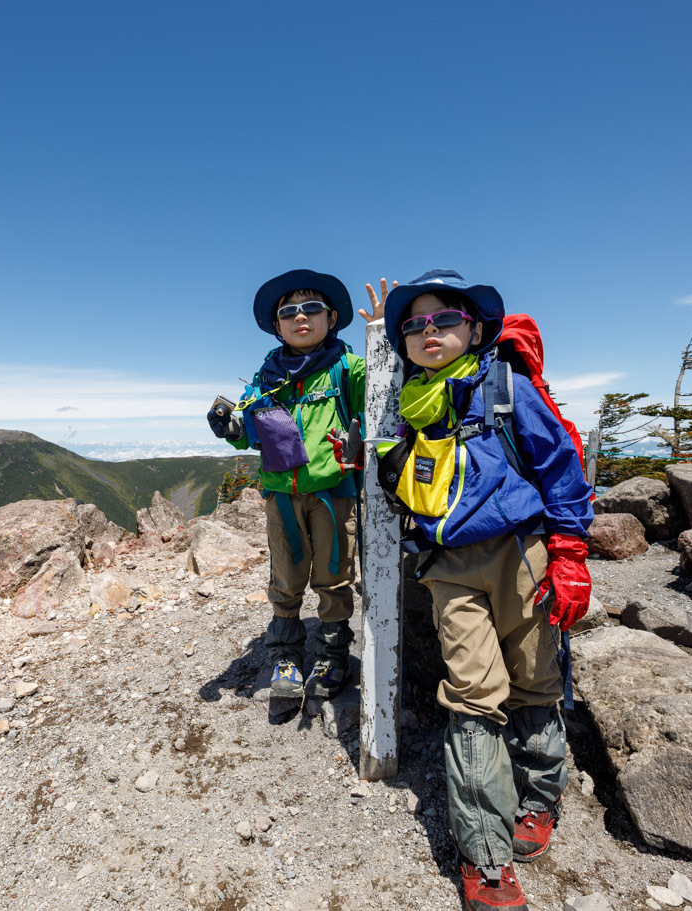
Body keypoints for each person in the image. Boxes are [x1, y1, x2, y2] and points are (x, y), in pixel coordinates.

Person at [373, 269, 594, 911]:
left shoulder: (509, 391)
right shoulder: (411, 404)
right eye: (413, 324)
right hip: (447, 563)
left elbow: (559, 467)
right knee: (473, 695)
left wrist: (571, 555)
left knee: (535, 678)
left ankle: (539, 799)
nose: (429, 331)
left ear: (473, 327)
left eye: (443, 319)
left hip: (520, 553)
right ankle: (486, 856)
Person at [206, 269, 365, 700]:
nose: (301, 317)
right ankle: (286, 657)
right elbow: (250, 430)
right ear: (277, 326)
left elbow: (382, 399)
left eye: (311, 308)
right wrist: (229, 427)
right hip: (280, 492)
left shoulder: (347, 368)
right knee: (286, 577)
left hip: (334, 493)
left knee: (334, 576)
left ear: (331, 318)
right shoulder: (266, 377)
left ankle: (332, 655)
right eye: (289, 312)